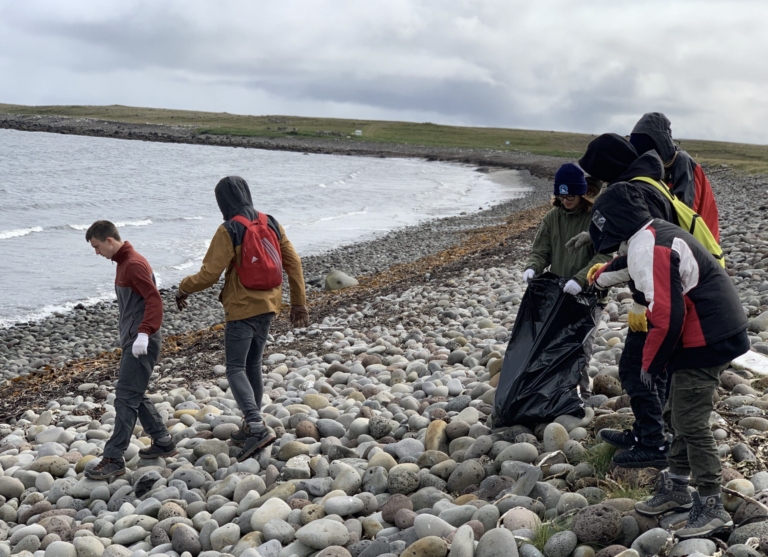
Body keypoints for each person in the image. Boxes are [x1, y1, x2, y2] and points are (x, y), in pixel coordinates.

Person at [588, 182, 748, 539]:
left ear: (611, 223)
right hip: (700, 334)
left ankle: (712, 505)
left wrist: (650, 363)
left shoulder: (652, 247)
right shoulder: (648, 235)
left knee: (691, 421)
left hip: (709, 337)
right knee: (674, 412)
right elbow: (624, 264)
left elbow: (668, 314)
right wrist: (600, 277)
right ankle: (676, 487)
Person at [177, 176, 309, 462]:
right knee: (254, 365)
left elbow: (209, 275)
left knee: (235, 368)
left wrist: (183, 287)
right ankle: (252, 423)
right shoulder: (271, 222)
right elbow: (294, 263)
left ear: (222, 202)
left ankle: (257, 426)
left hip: (241, 308)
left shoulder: (229, 229)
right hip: (269, 305)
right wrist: (298, 304)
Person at [84, 221, 176, 480]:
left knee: (125, 396)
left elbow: (154, 299)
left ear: (110, 240)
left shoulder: (133, 264)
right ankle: (162, 440)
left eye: (97, 246)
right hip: (134, 338)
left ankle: (114, 457)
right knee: (133, 392)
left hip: (141, 340)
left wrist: (144, 333)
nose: (97, 253)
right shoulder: (124, 263)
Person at [522, 163, 611, 394]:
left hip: (590, 296)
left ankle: (582, 393)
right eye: (561, 195)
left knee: (582, 346)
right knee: (554, 344)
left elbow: (605, 253)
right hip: (559, 295)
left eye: (571, 194)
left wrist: (581, 279)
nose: (566, 199)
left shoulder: (596, 217)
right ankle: (558, 392)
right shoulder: (552, 218)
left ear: (581, 192)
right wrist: (533, 268)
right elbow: (541, 250)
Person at [630, 112, 720, 241]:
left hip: (699, 241)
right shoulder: (654, 166)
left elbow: (686, 212)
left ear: (658, 144)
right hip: (672, 238)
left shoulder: (681, 162)